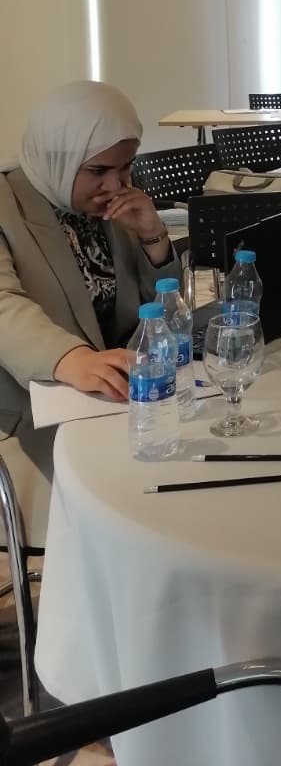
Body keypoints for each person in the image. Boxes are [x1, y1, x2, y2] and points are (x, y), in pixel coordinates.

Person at [0, 81, 180, 543]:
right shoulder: (6, 203)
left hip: (117, 389)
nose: (116, 185)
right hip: (34, 402)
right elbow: (3, 304)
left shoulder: (113, 202)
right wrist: (71, 359)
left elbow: (157, 308)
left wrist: (153, 235)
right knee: (131, 514)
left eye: (126, 167)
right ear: (57, 157)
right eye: (98, 170)